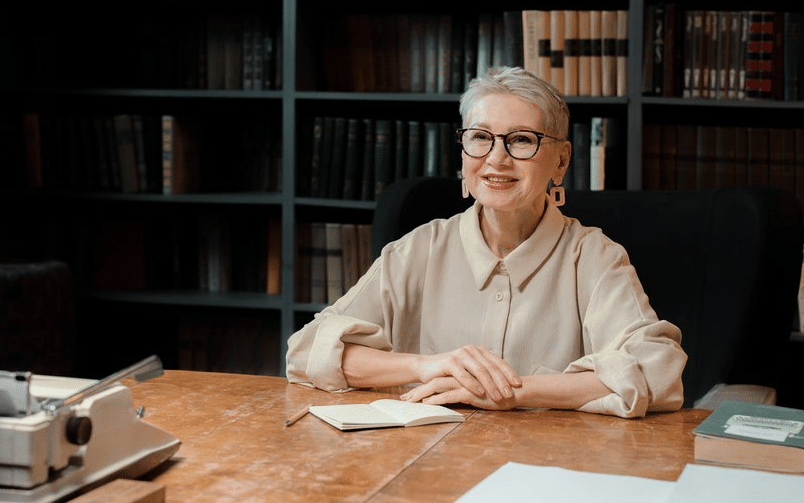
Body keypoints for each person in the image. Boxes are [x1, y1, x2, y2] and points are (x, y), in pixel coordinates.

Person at [286, 66, 686, 418]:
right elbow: (307, 351)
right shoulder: (419, 249)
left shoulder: (595, 257)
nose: (496, 159)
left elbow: (657, 369)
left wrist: (514, 393)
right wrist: (427, 366)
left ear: (561, 161)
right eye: (480, 137)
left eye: (521, 140)